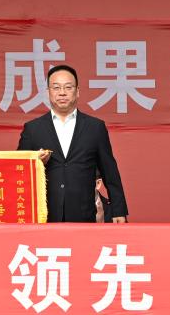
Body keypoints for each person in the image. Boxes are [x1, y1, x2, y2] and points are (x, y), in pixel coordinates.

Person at [17, 64, 128, 223]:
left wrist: (118, 210)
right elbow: (19, 172)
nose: (62, 92)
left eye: (68, 87)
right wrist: (36, 162)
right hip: (44, 216)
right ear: (48, 92)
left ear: (77, 91)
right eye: (56, 87)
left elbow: (110, 171)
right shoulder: (33, 129)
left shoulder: (95, 127)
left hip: (83, 214)